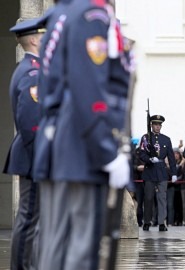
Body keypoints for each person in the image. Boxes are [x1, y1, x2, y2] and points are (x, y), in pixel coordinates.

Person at [33, 1, 132, 269]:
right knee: (80, 251)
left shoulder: (65, 13)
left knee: (56, 248)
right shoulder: (92, 16)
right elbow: (89, 90)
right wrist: (107, 152)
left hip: (64, 140)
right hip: (82, 145)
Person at [3, 14, 49, 270]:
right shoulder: (33, 72)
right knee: (29, 218)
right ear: (33, 39)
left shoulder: (35, 69)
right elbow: (31, 123)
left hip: (35, 155)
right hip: (35, 157)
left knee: (32, 219)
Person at [139, 115, 177, 231]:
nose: (157, 126)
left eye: (159, 125)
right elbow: (141, 154)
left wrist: (174, 173)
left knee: (162, 198)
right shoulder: (145, 138)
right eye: (155, 124)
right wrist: (149, 159)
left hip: (161, 171)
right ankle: (147, 221)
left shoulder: (166, 139)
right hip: (149, 171)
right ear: (151, 125)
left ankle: (161, 223)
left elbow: (171, 157)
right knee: (149, 198)